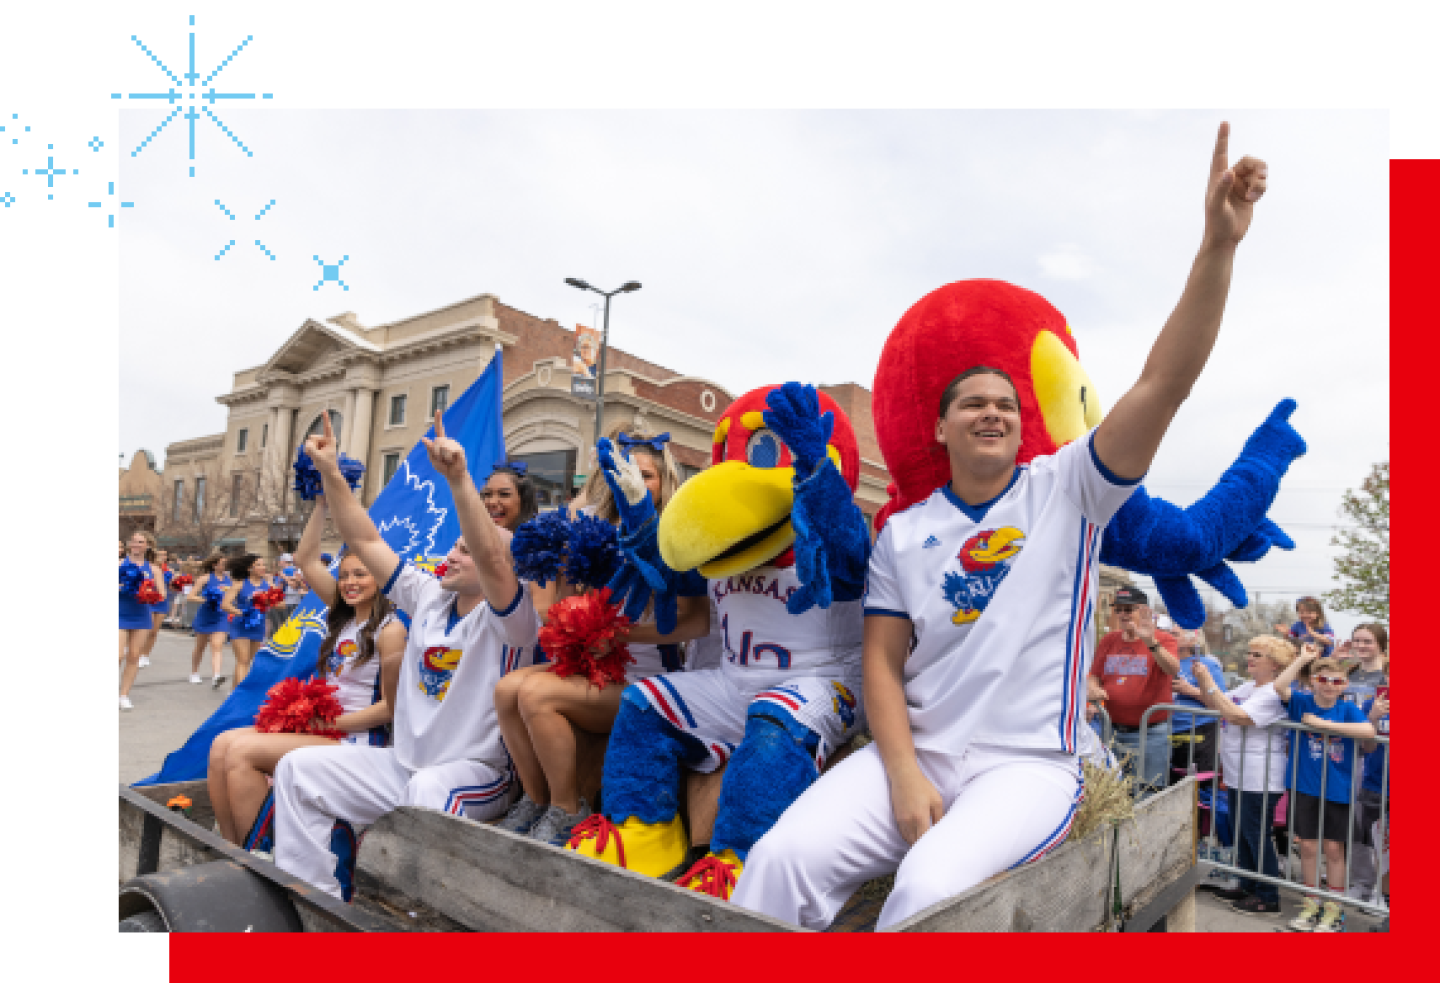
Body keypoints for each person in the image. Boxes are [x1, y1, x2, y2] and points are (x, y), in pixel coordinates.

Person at [731, 123, 1268, 930]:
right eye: (972, 402)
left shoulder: (1072, 486)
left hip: (1029, 770)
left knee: (924, 894)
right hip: (915, 755)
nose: (992, 410)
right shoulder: (904, 530)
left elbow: (1167, 380)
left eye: (1006, 403)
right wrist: (906, 774)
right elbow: (882, 663)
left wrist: (1216, 247)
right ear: (940, 428)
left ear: (1023, 426)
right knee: (777, 862)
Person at [272, 410, 543, 899]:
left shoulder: (513, 621)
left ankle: (406, 923)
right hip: (405, 764)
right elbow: (365, 538)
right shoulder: (427, 597)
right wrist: (332, 473)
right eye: (454, 547)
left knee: (426, 793)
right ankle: (315, 905)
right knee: (298, 768)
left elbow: (493, 555)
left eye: (466, 550)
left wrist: (459, 478)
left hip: (475, 775)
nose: (453, 554)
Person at [494, 432, 709, 850]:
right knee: (507, 689)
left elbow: (696, 622)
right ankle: (537, 801)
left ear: (664, 481)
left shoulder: (674, 537)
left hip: (648, 677)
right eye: (624, 473)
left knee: (536, 694)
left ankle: (569, 807)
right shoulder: (593, 531)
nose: (634, 482)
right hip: (596, 668)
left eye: (645, 475)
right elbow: (563, 608)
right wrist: (564, 576)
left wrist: (619, 635)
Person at [206, 496, 406, 846]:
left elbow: (392, 707)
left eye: (361, 574)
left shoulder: (391, 630)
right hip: (325, 729)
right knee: (221, 745)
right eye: (344, 576)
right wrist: (320, 504)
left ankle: (258, 855)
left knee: (241, 753)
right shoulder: (342, 615)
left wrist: (330, 724)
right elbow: (306, 560)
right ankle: (231, 847)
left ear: (381, 578)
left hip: (358, 739)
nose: (350, 582)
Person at [1188, 635, 1297, 915]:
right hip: (1238, 773)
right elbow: (1216, 706)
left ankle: (1268, 895)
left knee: (1257, 835)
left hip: (1260, 776)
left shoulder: (1272, 693)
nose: (1250, 658)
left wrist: (1210, 685)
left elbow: (1237, 716)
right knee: (1243, 832)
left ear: (1275, 664)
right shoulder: (1249, 685)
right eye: (1250, 653)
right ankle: (1248, 883)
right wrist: (1202, 680)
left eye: (1257, 655)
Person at [1274, 647, 1376, 933]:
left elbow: (1368, 732)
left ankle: (1334, 910)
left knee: (1333, 849)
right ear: (1313, 681)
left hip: (1337, 789)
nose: (1330, 686)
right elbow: (1280, 686)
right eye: (1324, 680)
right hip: (1304, 786)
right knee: (1307, 846)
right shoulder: (1302, 701)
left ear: (1345, 685)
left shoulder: (1346, 708)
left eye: (1337, 681)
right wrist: (1303, 660)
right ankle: (1310, 905)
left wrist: (1321, 724)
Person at [1086, 586, 1179, 796]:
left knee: (1147, 794)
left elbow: (1172, 669)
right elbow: (1095, 675)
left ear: (1143, 611)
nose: (1122, 614)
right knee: (1112, 793)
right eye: (1118, 609)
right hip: (1112, 730)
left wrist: (1150, 641)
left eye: (1128, 609)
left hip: (1150, 732)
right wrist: (1092, 689)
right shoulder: (1109, 640)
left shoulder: (1164, 639)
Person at [1350, 682, 1389, 906]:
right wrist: (1372, 717)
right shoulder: (1370, 704)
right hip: (1375, 784)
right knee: (1377, 843)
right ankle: (1379, 894)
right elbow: (1368, 747)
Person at [1168, 627, 1226, 777]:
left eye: (1174, 634)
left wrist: (1189, 690)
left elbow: (1221, 702)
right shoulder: (1164, 663)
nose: (1169, 636)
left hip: (1199, 730)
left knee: (1198, 785)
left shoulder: (1206, 664)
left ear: (1191, 640)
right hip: (1167, 730)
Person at [118, 530, 162, 710]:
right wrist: (122, 587)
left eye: (140, 542)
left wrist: (148, 591)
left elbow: (162, 594)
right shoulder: (119, 563)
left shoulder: (154, 569)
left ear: (148, 546)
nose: (136, 545)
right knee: (118, 655)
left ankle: (124, 695)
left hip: (142, 616)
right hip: (120, 613)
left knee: (134, 656)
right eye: (133, 541)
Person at [220, 554, 276, 690]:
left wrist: (268, 598)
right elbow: (225, 605)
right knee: (243, 660)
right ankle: (241, 696)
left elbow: (281, 604)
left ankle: (234, 693)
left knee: (247, 661)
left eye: (263, 565)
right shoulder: (240, 584)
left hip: (258, 626)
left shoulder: (268, 585)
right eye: (259, 565)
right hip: (240, 625)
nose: (263, 567)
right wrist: (243, 612)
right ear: (249, 568)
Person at [188, 554, 232, 687]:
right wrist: (208, 599)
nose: (225, 566)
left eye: (226, 563)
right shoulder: (204, 578)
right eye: (223, 563)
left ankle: (216, 676)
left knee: (217, 645)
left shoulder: (230, 579)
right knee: (200, 647)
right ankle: (194, 672)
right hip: (205, 616)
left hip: (221, 616)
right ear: (215, 565)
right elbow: (191, 596)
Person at [136, 547, 174, 669]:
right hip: (148, 600)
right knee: (146, 629)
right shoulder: (145, 567)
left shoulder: (168, 570)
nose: (162, 557)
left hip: (161, 601)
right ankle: (137, 652)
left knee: (154, 632)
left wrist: (178, 582)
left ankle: (145, 656)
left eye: (164, 555)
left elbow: (172, 588)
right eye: (160, 554)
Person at [1336, 622, 1387, 706]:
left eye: (1367, 642)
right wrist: (1334, 661)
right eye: (1356, 641)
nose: (1360, 645)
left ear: (1381, 645)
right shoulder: (1348, 674)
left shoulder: (1387, 675)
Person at [480, 461, 539, 529]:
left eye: (504, 494)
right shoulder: (471, 537)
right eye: (487, 494)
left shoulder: (542, 538)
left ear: (524, 500)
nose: (492, 502)